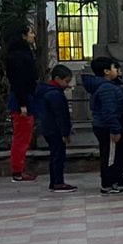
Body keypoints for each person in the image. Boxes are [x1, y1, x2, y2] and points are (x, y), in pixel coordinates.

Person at [84, 56, 123, 195]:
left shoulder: (111, 86)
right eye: (114, 68)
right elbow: (109, 111)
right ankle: (108, 183)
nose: (117, 71)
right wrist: (115, 129)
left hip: (113, 125)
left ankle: (117, 179)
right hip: (108, 128)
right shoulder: (107, 89)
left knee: (119, 155)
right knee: (110, 156)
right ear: (106, 71)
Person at [3, 22, 39, 182]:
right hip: (21, 100)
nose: (33, 35)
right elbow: (19, 82)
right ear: (23, 36)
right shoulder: (18, 56)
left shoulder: (23, 53)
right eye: (31, 32)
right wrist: (23, 104)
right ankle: (17, 170)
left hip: (25, 97)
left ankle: (20, 168)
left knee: (25, 135)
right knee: (21, 136)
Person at [34, 64, 76, 193]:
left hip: (48, 128)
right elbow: (61, 115)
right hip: (55, 129)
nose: (67, 85)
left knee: (55, 155)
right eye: (66, 81)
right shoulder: (55, 94)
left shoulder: (47, 92)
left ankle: (55, 181)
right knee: (58, 156)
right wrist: (65, 132)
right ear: (57, 78)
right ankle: (58, 182)